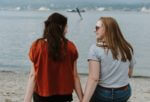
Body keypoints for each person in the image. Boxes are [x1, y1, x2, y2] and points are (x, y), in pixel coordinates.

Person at [24, 12, 83, 102]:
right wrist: (82, 99)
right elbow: (75, 76)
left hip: (41, 96)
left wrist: (26, 100)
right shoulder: (71, 47)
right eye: (66, 26)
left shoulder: (37, 46)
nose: (67, 30)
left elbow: (33, 76)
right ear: (60, 27)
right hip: (64, 96)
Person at [82, 17, 136, 102]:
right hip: (124, 93)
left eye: (97, 28)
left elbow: (94, 78)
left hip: (103, 94)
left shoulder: (95, 49)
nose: (94, 30)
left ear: (106, 29)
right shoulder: (127, 48)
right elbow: (129, 73)